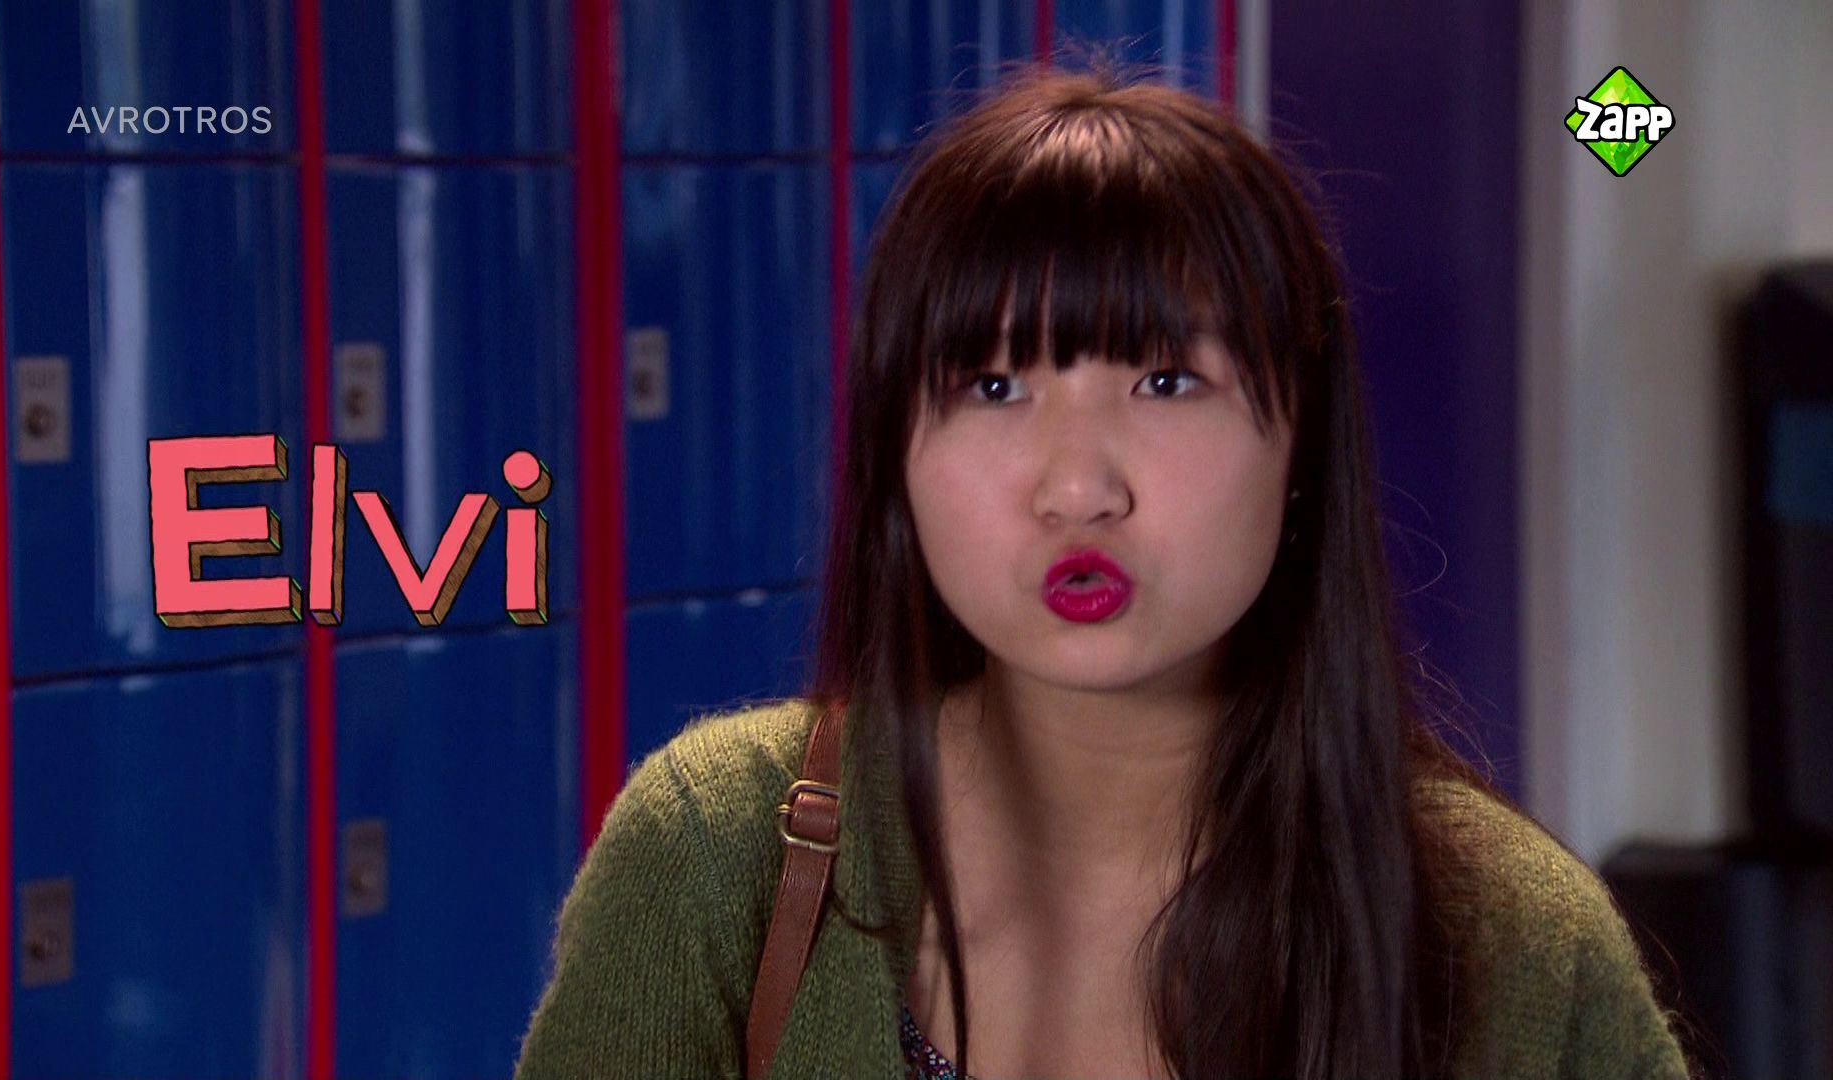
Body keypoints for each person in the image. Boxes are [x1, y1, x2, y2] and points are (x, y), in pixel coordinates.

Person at [512, 59, 1700, 1080]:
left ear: (1300, 448)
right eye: (993, 386)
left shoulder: (1506, 937)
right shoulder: (721, 855)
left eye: (1165, 381)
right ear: (895, 458)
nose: (1077, 487)